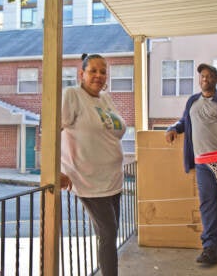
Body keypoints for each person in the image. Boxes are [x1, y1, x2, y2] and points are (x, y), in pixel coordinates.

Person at [165, 63, 217, 265]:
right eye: (202, 76)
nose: (204, 79)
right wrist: (172, 128)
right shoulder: (192, 101)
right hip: (202, 164)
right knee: (208, 205)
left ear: (216, 79)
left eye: (209, 76)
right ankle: (209, 247)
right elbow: (183, 122)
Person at [60, 53, 126, 275]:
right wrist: (56, 170)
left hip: (113, 180)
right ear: (82, 74)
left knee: (111, 233)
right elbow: (51, 130)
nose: (99, 75)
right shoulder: (72, 95)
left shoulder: (105, 98)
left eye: (103, 71)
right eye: (93, 71)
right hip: (89, 180)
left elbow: (115, 130)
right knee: (107, 234)